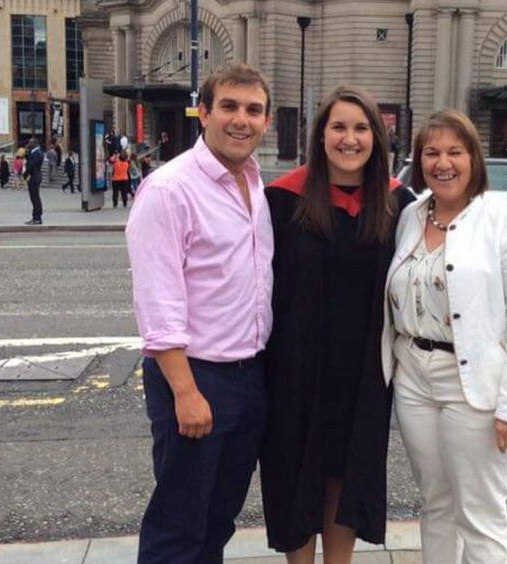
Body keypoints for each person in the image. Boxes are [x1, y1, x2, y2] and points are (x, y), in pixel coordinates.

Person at [382, 109, 507, 564]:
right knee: (435, 503)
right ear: (419, 162)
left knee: (480, 513)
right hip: (414, 379)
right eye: (431, 153)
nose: (443, 163)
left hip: (475, 387)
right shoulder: (412, 216)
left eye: (455, 152)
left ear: (474, 158)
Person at [126, 62, 273, 564]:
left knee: (217, 521)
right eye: (229, 106)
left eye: (253, 110)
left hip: (249, 377)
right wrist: (185, 392)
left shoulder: (254, 184)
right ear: (204, 114)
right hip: (195, 378)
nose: (241, 120)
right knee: (178, 526)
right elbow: (158, 301)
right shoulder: (170, 190)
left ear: (266, 121)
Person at [260, 85, 414, 563]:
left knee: (344, 476)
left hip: (363, 369)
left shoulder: (398, 204)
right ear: (320, 136)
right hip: (293, 367)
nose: (350, 138)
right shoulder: (281, 201)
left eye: (362, 128)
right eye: (339, 127)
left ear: (378, 137)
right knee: (294, 473)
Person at [23, 138, 44, 225]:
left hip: (34, 177)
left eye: (30, 143)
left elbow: (31, 165)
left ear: (34, 143)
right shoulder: (34, 152)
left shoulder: (37, 153)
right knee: (34, 198)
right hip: (34, 176)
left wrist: (25, 174)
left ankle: (37, 218)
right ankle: (35, 217)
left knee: (35, 198)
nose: (28, 144)